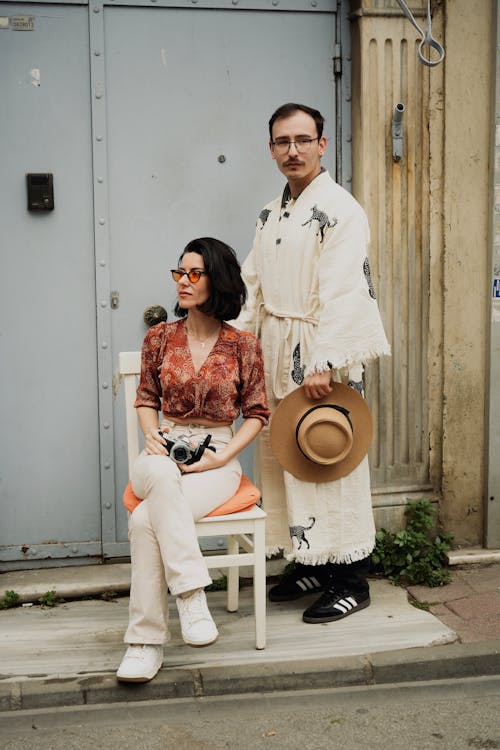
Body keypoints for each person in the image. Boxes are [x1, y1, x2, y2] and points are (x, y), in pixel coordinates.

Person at [235, 103, 390, 624]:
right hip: (277, 347)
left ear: (322, 144)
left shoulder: (342, 209)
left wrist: (324, 362)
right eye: (282, 141)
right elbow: (252, 286)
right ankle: (311, 561)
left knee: (328, 461)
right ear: (271, 148)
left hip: (321, 355)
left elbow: (346, 288)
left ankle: (350, 580)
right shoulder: (268, 212)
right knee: (286, 460)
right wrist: (234, 343)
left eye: (303, 140)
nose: (292, 150)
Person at [116, 237, 270, 683]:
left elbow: (258, 413)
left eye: (195, 274)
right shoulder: (159, 337)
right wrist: (151, 435)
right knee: (160, 476)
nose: (183, 281)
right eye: (179, 272)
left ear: (216, 280)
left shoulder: (243, 345)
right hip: (161, 449)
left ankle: (144, 643)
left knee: (145, 521)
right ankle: (191, 594)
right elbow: (146, 398)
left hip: (218, 456)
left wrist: (224, 455)